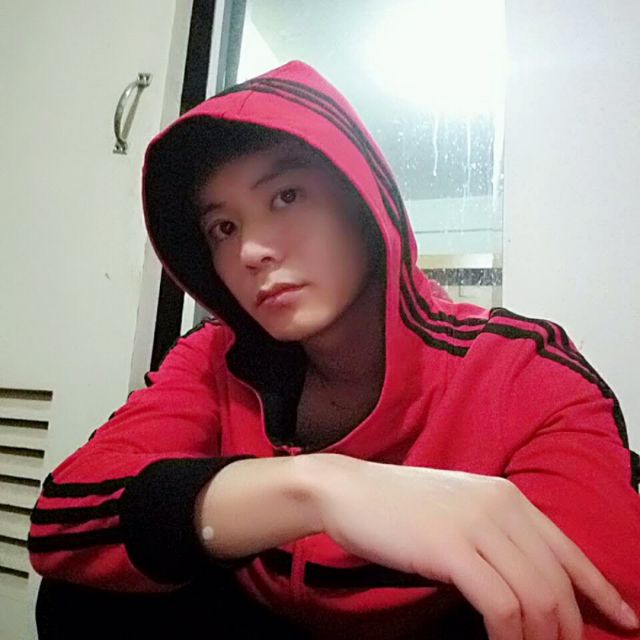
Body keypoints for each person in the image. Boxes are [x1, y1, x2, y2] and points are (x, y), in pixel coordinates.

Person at [28, 60, 640, 640]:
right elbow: (64, 519)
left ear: (365, 200)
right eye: (224, 227)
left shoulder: (523, 371)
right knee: (80, 597)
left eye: (286, 196)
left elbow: (601, 613)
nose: (251, 251)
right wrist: (318, 488)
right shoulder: (215, 358)